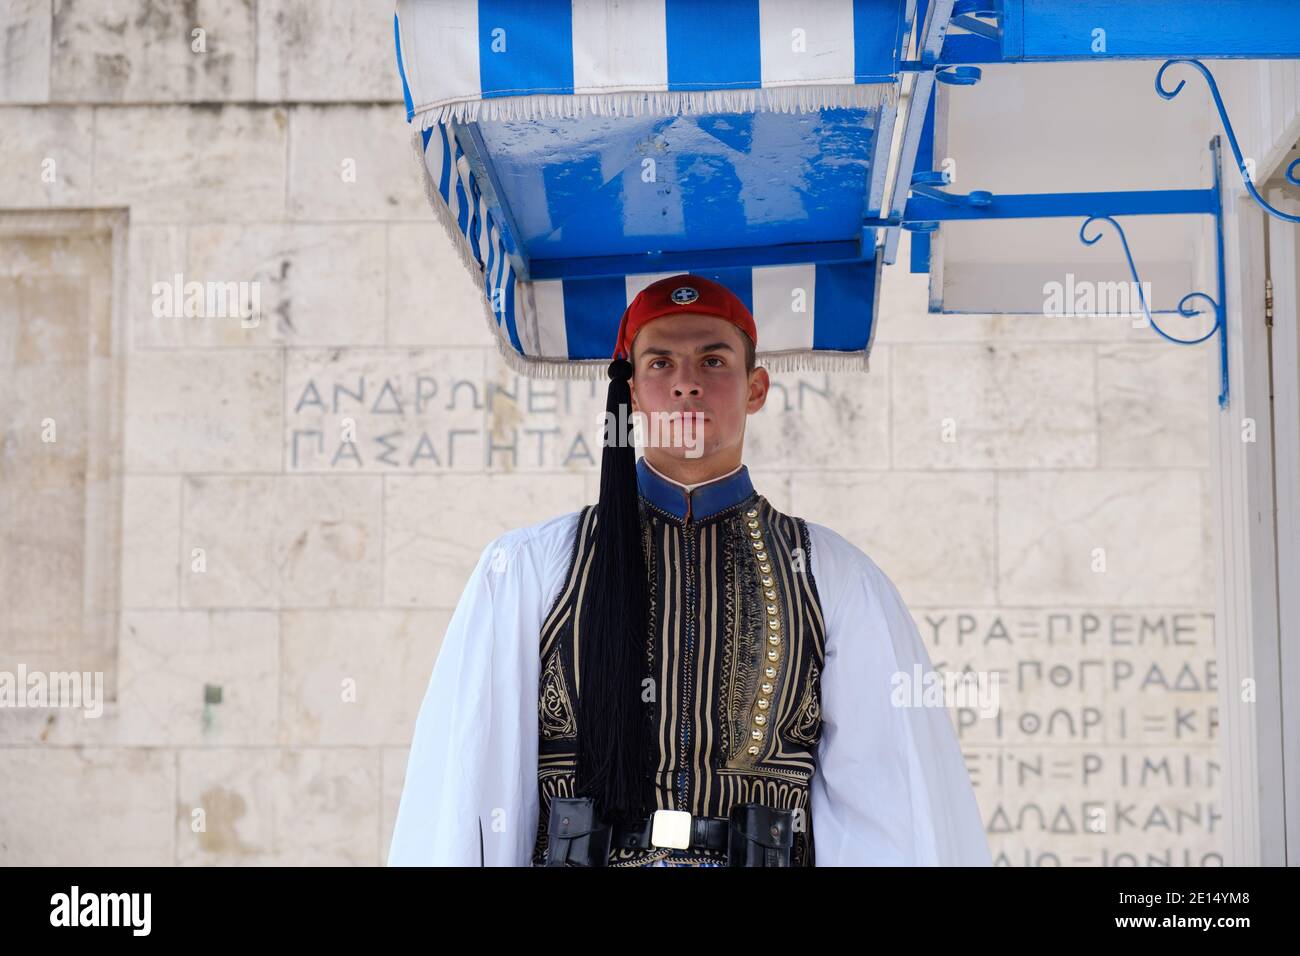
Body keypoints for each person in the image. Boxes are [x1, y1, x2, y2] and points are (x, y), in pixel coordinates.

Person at [387, 273, 992, 867]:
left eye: (713, 361)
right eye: (659, 364)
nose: (686, 384)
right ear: (631, 393)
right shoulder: (531, 570)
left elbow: (886, 804)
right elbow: (468, 791)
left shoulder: (833, 579)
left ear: (755, 387)